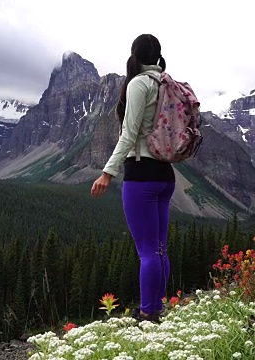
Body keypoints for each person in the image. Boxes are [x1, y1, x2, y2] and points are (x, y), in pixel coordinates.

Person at [90, 34, 176, 323]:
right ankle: (158, 306)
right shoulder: (166, 82)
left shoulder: (139, 84)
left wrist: (107, 173)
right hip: (166, 173)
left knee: (147, 251)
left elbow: (129, 134)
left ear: (134, 55)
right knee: (160, 247)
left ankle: (149, 313)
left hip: (141, 175)